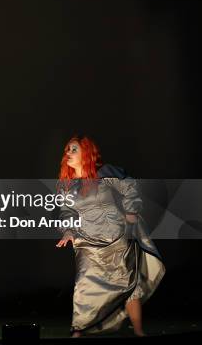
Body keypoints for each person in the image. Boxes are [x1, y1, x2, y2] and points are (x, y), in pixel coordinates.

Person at [55, 136, 165, 337]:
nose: (67, 154)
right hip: (86, 242)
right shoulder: (67, 185)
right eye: (67, 150)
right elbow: (66, 212)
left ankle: (139, 332)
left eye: (73, 150)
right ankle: (77, 332)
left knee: (129, 285)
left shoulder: (106, 173)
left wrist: (131, 211)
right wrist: (69, 231)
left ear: (86, 153)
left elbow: (130, 186)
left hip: (117, 238)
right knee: (83, 284)